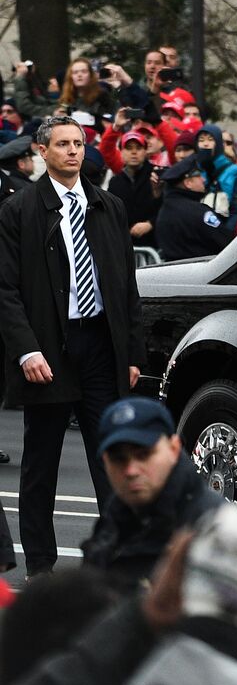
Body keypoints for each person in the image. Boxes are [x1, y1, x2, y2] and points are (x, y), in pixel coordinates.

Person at [0, 115, 144, 579]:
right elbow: (5, 289)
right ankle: (41, 565)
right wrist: (27, 350)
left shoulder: (109, 206)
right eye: (62, 144)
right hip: (48, 349)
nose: (72, 151)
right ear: (42, 151)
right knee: (41, 464)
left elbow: (127, 287)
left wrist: (133, 353)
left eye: (78, 143)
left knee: (111, 457)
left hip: (101, 344)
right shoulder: (19, 210)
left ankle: (114, 558)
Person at [80, 397, 223, 589]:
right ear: (105, 461)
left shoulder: (218, 528)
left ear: (174, 449)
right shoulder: (116, 517)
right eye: (118, 459)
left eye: (143, 455)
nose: (131, 470)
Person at [155, 156, 232, 262]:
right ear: (188, 183)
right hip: (204, 273)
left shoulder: (164, 211)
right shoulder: (200, 213)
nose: (203, 179)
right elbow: (227, 243)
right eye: (199, 176)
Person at [105, 130, 160, 250]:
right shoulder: (115, 182)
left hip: (154, 244)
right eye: (129, 148)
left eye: (138, 148)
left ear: (145, 151)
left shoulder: (156, 176)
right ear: (121, 152)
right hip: (124, 246)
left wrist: (150, 224)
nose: (134, 152)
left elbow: (167, 207)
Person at [0, 134, 35, 200]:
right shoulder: (25, 188)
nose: (33, 161)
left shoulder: (8, 182)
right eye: (30, 159)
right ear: (21, 164)